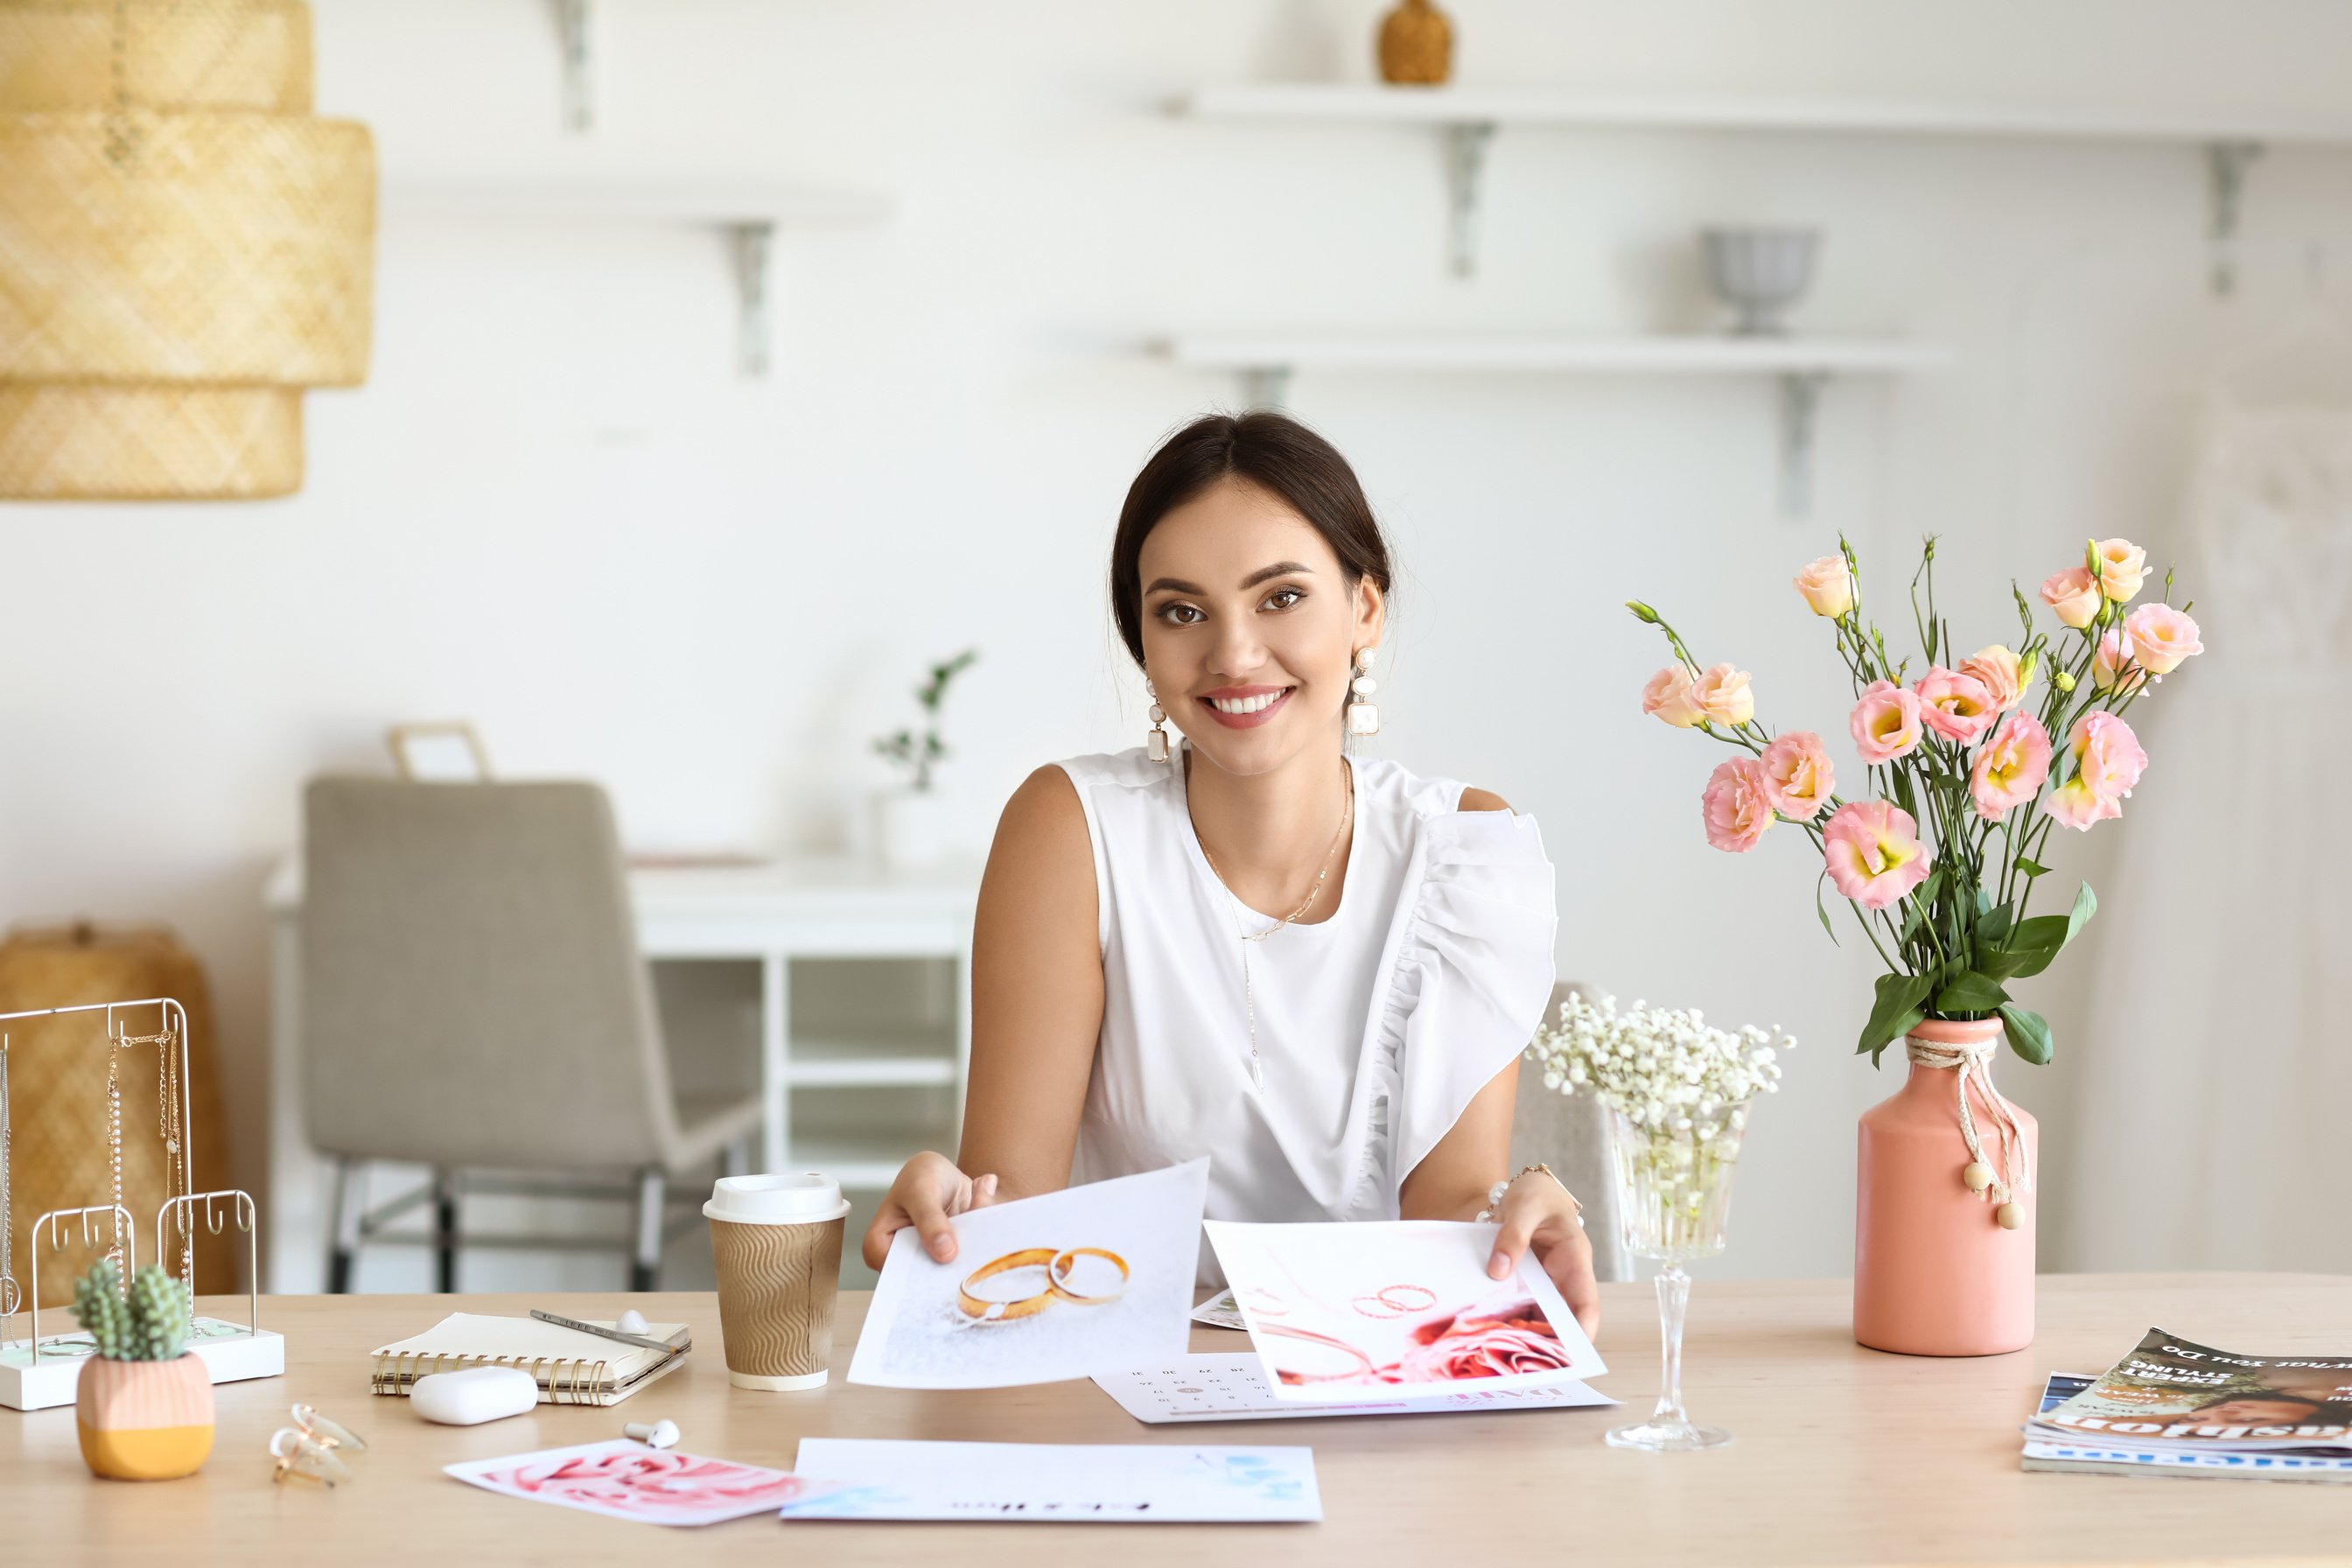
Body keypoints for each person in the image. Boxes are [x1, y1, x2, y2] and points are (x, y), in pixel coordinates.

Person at [863, 410, 1599, 1336]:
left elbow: (1446, 1217)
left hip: (1370, 1386)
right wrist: (949, 1207)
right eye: (1182, 611)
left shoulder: (1464, 851)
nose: (1233, 654)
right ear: (1143, 635)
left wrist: (1516, 1212)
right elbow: (1015, 1227)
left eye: (1280, 597)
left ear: (1365, 607)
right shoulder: (1070, 829)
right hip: (1118, 1384)